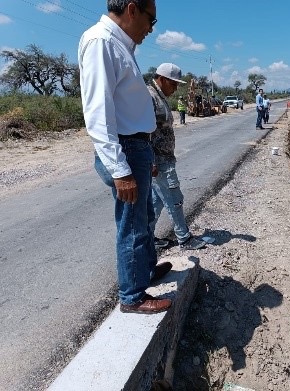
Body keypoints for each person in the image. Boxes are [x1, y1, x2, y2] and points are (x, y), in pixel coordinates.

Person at [78, 0, 172, 314]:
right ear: (132, 9)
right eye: (151, 20)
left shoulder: (120, 45)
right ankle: (132, 296)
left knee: (144, 216)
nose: (151, 29)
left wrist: (147, 155)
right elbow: (98, 113)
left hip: (138, 148)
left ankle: (144, 271)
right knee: (132, 224)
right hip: (126, 149)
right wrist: (120, 170)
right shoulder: (101, 43)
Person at [147, 63, 206, 251]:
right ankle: (184, 238)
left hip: (164, 159)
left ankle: (148, 238)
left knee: (156, 203)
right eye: (173, 84)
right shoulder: (149, 97)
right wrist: (152, 161)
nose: (175, 89)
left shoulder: (160, 96)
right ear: (162, 79)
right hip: (159, 161)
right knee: (175, 198)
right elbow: (144, 133)